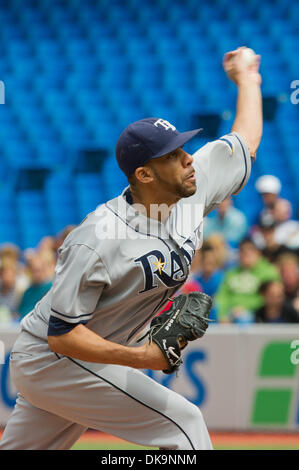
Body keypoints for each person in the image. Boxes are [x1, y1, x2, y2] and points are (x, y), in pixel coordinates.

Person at [0, 47, 262, 450]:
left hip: (75, 361)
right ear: (144, 174)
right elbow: (63, 335)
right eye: (173, 155)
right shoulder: (97, 238)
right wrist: (144, 356)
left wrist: (247, 79)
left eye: (183, 148)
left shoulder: (191, 188)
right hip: (54, 361)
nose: (188, 159)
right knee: (184, 426)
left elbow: (245, 141)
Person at [215, 238, 280, 323]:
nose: (246, 253)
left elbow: (270, 297)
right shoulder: (231, 273)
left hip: (257, 313)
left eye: (250, 249)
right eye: (242, 250)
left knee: (244, 318)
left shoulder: (269, 272)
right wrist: (222, 314)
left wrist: (245, 307)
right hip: (231, 312)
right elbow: (222, 296)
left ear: (258, 253)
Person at [17, 255, 52, 319]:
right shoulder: (28, 291)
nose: (35, 274)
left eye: (37, 270)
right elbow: (20, 312)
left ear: (44, 269)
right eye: (33, 271)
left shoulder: (51, 288)